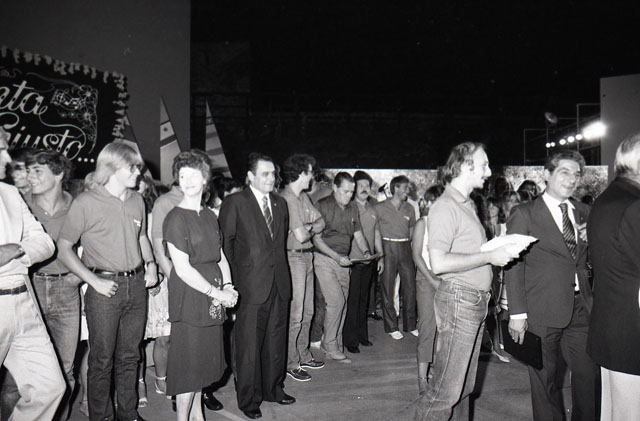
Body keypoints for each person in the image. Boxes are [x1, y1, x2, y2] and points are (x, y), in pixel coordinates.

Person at [403, 142, 520, 419]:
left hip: (473, 300)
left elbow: (465, 250)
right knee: (445, 392)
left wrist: (495, 248)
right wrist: (489, 256)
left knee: (463, 387)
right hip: (461, 300)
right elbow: (439, 263)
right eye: (484, 165)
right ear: (466, 165)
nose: (488, 172)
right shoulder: (445, 206)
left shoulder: (466, 204)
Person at [58, 141, 158, 421]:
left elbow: (142, 237)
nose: (138, 173)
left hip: (136, 286)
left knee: (130, 356)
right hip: (104, 288)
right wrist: (93, 281)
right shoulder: (86, 202)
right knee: (101, 360)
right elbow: (64, 248)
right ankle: (101, 417)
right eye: (133, 168)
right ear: (113, 168)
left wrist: (151, 264)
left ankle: (128, 413)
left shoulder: (137, 200)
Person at [505, 150, 598, 421]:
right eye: (564, 172)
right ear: (546, 174)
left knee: (589, 377)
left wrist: (593, 239)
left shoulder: (585, 212)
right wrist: (517, 313)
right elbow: (513, 265)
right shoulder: (524, 214)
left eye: (576, 174)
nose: (572, 180)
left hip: (581, 308)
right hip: (541, 310)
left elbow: (589, 260)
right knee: (545, 382)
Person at [219, 152, 295, 419]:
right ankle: (249, 399)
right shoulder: (235, 203)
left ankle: (274, 388)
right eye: (265, 174)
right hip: (249, 287)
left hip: (279, 283)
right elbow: (225, 246)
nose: (271, 178)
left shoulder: (280, 203)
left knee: (276, 339)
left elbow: (278, 246)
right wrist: (232, 284)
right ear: (250, 176)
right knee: (248, 346)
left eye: (273, 173)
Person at [163, 150, 238, 421]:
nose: (188, 181)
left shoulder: (208, 215)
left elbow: (220, 257)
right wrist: (217, 293)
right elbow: (182, 269)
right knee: (189, 371)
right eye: (182, 176)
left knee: (203, 367)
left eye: (193, 175)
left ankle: (198, 417)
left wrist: (228, 286)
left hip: (213, 294)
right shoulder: (175, 218)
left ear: (205, 179)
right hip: (191, 296)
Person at [0, 128, 64, 420]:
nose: (7, 159)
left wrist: (15, 250)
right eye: (1, 150)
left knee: (49, 387)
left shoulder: (10, 193)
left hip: (23, 303)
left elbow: (45, 243)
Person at [587, 134, 640, 421]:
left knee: (613, 412)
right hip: (632, 334)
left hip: (611, 329)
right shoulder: (635, 205)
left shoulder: (606, 199)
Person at [25, 150, 81, 419]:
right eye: (29, 170)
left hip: (66, 291)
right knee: (22, 373)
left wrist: (79, 276)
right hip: (30, 290)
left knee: (65, 368)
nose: (30, 176)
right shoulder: (21, 204)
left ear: (58, 174)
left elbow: (94, 242)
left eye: (38, 171)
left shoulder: (77, 206)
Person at [313, 172, 372, 363]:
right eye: (345, 192)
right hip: (324, 258)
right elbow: (316, 239)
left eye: (351, 192)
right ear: (335, 188)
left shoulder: (353, 207)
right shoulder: (322, 205)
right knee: (336, 302)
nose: (349, 196)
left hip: (344, 262)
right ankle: (329, 344)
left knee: (343, 303)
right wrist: (336, 257)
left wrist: (365, 252)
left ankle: (334, 343)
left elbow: (358, 234)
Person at [281, 153, 326, 382]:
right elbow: (300, 236)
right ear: (300, 172)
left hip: (307, 257)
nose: (312, 177)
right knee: (296, 314)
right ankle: (291, 362)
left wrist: (308, 226)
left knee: (308, 312)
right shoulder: (287, 198)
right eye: (309, 172)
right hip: (294, 258)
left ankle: (303, 354)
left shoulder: (303, 197)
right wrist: (310, 227)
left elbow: (321, 222)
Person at [343, 170, 384, 354]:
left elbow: (376, 233)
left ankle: (362, 336)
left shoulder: (373, 209)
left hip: (369, 261)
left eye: (367, 185)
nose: (365, 189)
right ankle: (350, 340)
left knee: (364, 300)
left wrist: (380, 256)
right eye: (361, 185)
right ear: (354, 188)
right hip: (353, 261)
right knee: (352, 302)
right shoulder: (349, 207)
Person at [375, 175, 417, 340]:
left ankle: (410, 325)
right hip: (387, 247)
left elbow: (412, 229)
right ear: (396, 188)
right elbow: (375, 231)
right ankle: (391, 326)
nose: (408, 191)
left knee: (410, 287)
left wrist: (407, 242)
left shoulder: (409, 208)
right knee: (387, 288)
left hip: (405, 247)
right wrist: (380, 253)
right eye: (405, 188)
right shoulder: (380, 207)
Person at [411, 184, 443, 395]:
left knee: (443, 330)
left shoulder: (446, 224)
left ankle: (437, 372)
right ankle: (422, 378)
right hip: (426, 279)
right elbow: (416, 255)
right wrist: (432, 280)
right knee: (427, 328)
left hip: (444, 278)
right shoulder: (422, 223)